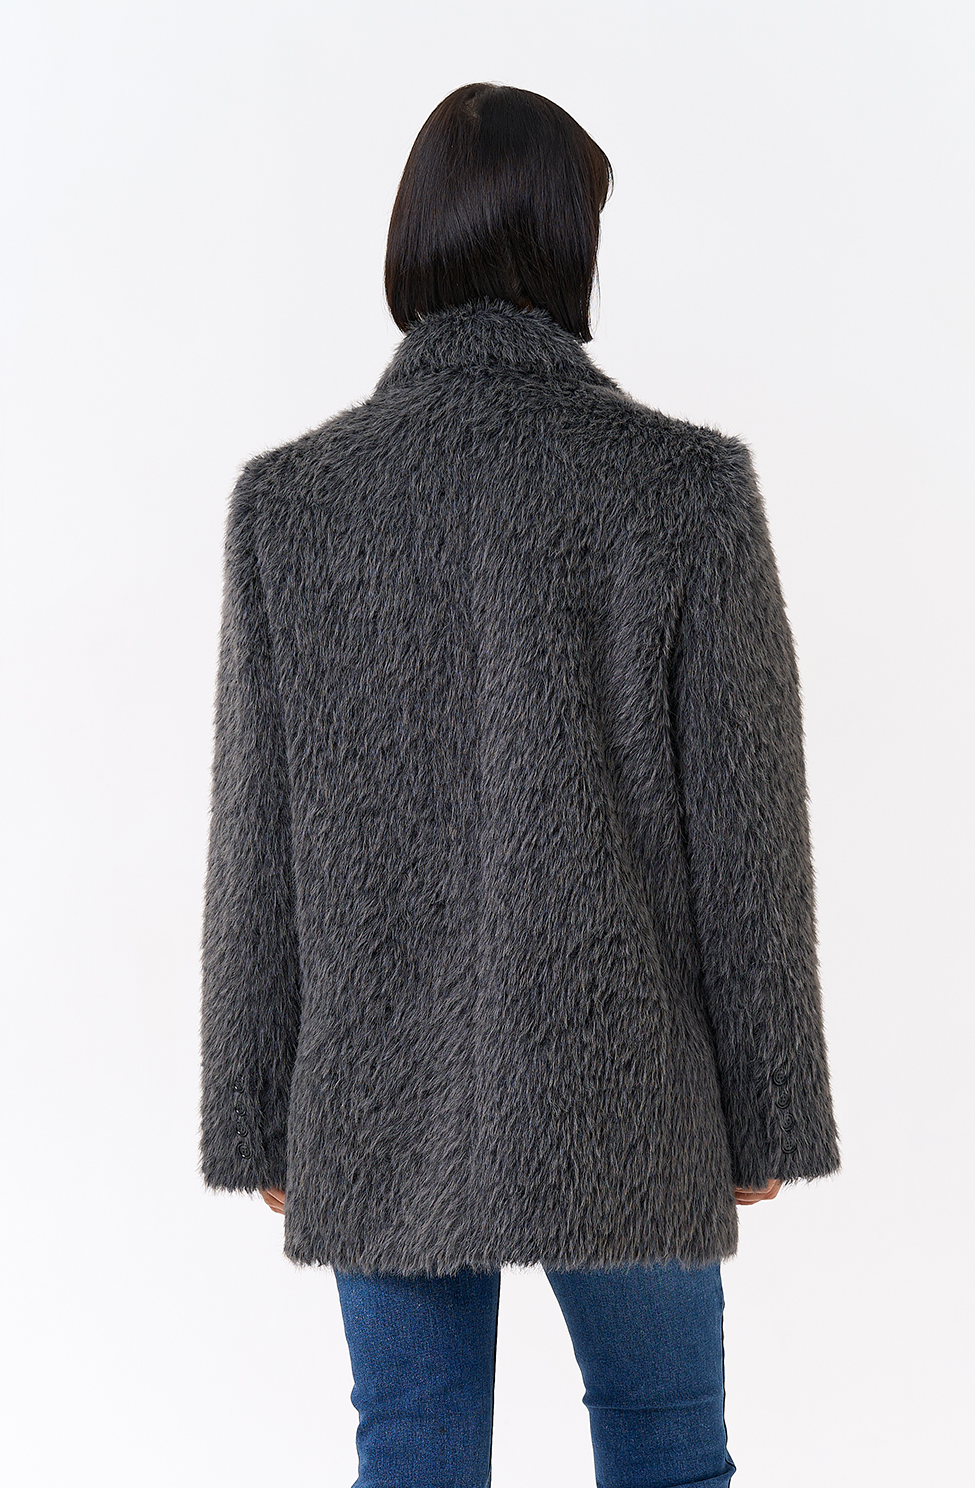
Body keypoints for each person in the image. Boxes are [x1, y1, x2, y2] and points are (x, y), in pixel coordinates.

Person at [199, 82, 841, 1488]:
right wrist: (767, 1106)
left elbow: (256, 844)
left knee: (414, 1457)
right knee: (668, 1449)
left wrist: (257, 1108)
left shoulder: (292, 502)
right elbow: (749, 838)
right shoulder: (684, 488)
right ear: (565, 241)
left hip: (374, 1088)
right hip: (630, 1084)